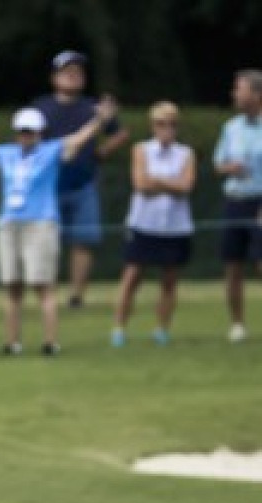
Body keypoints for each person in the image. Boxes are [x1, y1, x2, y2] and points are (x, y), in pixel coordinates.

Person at [0, 98, 116, 356]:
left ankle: (50, 342)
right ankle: (12, 342)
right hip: (10, 222)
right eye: (22, 131)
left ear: (39, 132)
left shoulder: (51, 151)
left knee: (43, 285)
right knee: (12, 285)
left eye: (30, 131)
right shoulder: (6, 153)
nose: (26, 136)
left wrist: (98, 121)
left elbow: (77, 140)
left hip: (41, 223)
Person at [31, 51, 129, 309]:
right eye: (68, 71)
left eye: (79, 71)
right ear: (54, 77)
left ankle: (76, 296)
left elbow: (120, 134)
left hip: (83, 183)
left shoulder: (91, 108)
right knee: (47, 242)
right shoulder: (41, 108)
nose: (74, 76)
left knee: (82, 241)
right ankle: (47, 293)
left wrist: (102, 151)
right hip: (48, 187)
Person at [111, 102, 195, 347]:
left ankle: (162, 330)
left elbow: (186, 187)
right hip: (143, 224)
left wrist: (157, 181)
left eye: (171, 124)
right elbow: (140, 184)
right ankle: (119, 328)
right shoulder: (141, 150)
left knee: (169, 279)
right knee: (132, 276)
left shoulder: (185, 153)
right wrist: (171, 183)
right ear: (152, 126)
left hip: (175, 226)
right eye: (160, 124)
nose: (166, 129)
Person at [213, 68, 262, 344]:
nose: (234, 94)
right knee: (232, 266)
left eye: (239, 89)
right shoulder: (230, 128)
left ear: (256, 94)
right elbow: (219, 164)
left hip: (260, 201)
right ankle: (237, 324)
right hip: (235, 201)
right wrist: (229, 167)